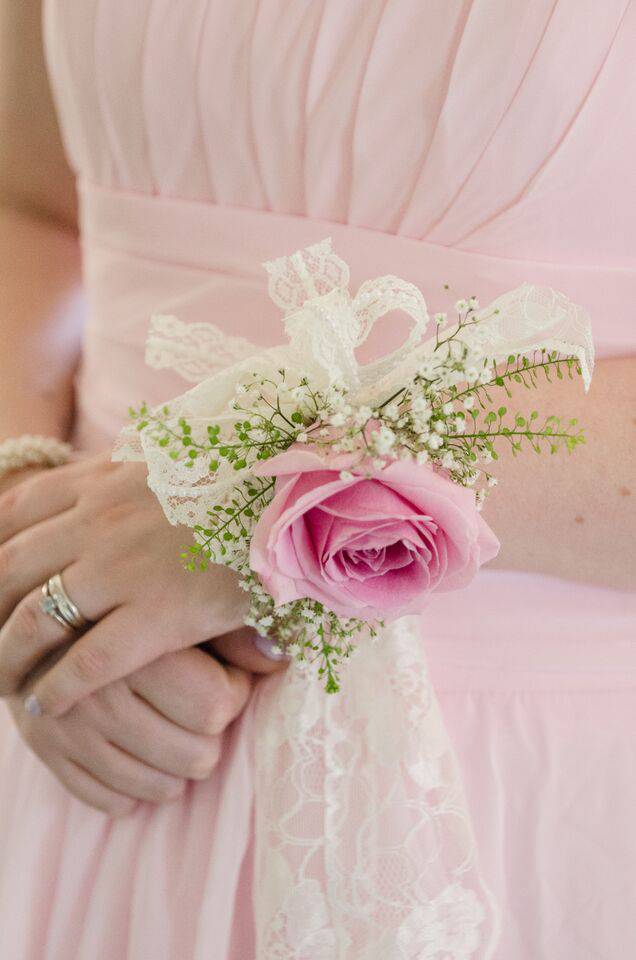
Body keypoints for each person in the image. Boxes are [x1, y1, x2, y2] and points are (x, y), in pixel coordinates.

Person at [0, 2, 634, 957]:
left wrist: (252, 500)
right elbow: (34, 210)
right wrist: (32, 531)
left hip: (523, 794)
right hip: (99, 740)